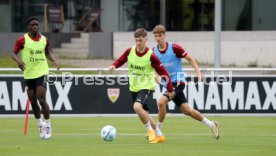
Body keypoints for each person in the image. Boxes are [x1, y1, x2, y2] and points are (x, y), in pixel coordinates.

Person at [151, 24, 219, 143]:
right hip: (168, 84)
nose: (158, 38)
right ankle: (211, 124)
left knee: (161, 102)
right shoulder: (153, 51)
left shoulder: (175, 48)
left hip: (178, 83)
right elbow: (154, 67)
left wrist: (198, 73)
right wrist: (156, 76)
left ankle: (158, 132)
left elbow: (190, 59)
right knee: (187, 111)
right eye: (156, 36)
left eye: (160, 35)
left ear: (164, 35)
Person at [109, 28, 174, 143]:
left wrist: (169, 88)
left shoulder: (151, 56)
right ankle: (160, 135)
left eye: (140, 40)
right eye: (136, 40)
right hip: (134, 87)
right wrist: (114, 65)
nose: (138, 43)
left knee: (137, 107)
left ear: (146, 39)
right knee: (143, 113)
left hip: (147, 86)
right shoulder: (130, 51)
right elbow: (121, 60)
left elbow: (163, 71)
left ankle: (150, 132)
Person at [12, 16, 60, 140]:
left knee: (41, 99)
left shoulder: (44, 39)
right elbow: (13, 53)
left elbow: (47, 53)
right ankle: (40, 126)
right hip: (28, 74)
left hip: (42, 72)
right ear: (28, 27)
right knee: (33, 101)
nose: (35, 26)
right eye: (33, 25)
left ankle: (48, 125)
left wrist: (54, 61)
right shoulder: (22, 40)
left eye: (37, 25)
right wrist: (19, 60)